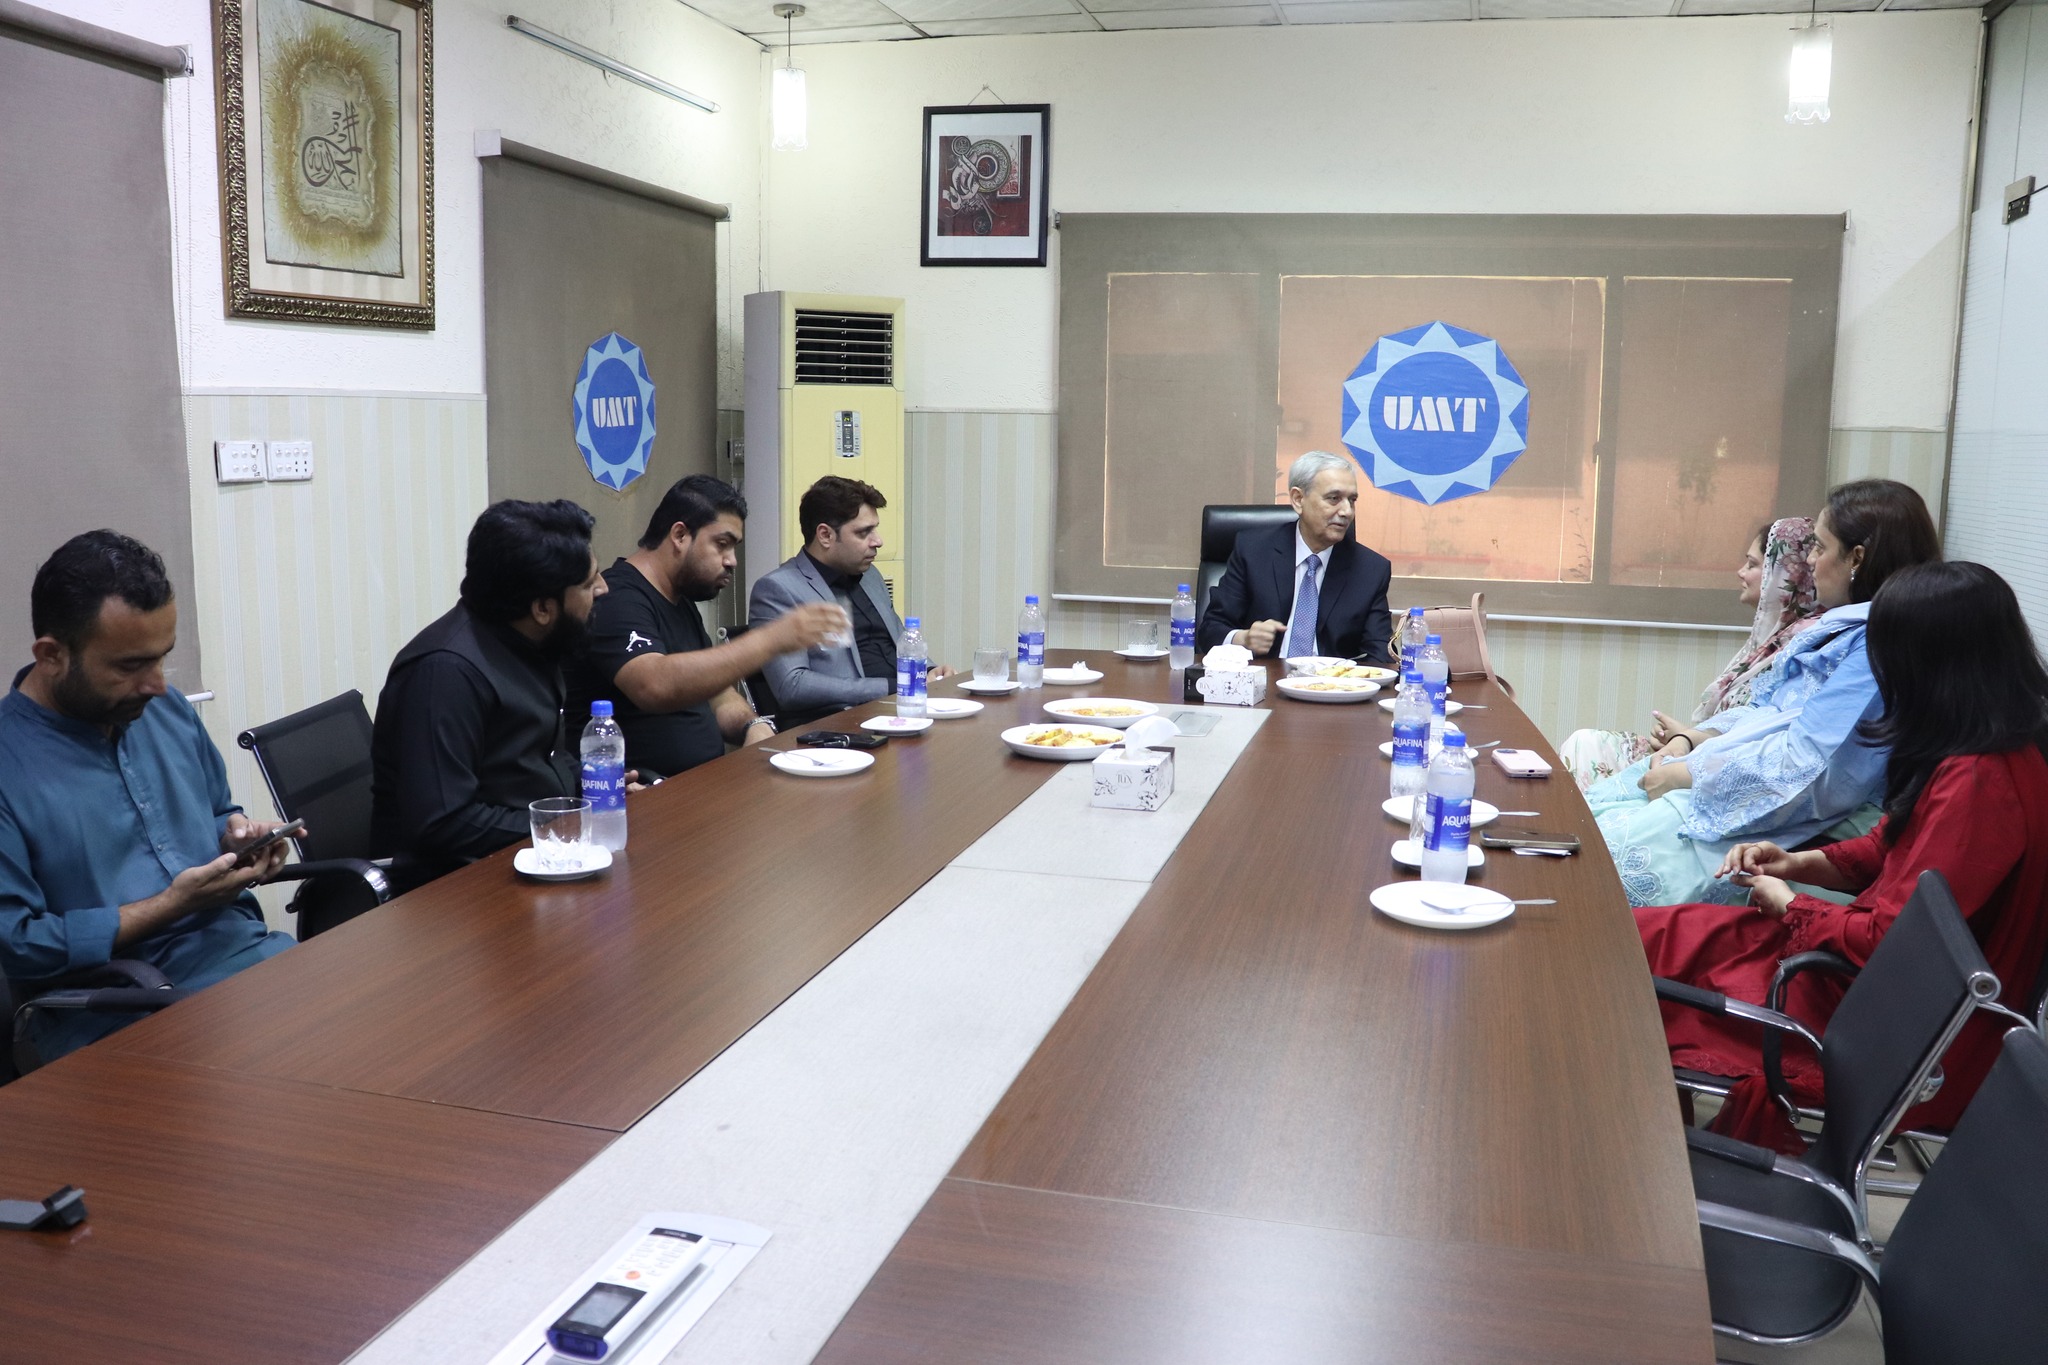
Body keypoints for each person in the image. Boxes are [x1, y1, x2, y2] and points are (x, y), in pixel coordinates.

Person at [1639, 561, 2048, 1153]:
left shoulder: (1980, 782)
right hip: (1865, 981)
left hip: (1881, 1021)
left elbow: (1891, 940)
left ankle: (1659, 1158)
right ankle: (1664, 1149)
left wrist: (1791, 905)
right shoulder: (1995, 747)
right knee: (1645, 940)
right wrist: (1798, 863)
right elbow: (1893, 846)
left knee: (1640, 969)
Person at [0, 532, 295, 1061]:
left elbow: (218, 811)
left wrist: (239, 837)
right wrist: (171, 905)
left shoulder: (166, 709)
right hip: (114, 1012)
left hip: (243, 958)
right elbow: (18, 943)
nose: (157, 684)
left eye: (162, 659)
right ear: (52, 655)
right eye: (130, 666)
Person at [1587, 479, 1942, 908]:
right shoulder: (1840, 628)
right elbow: (1764, 708)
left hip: (1800, 812)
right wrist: (1693, 740)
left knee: (1602, 865)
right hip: (1739, 776)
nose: (1809, 561)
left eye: (1820, 547)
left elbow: (1812, 771)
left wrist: (1690, 773)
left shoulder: (1877, 648)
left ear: (1857, 558)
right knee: (1588, 819)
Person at [372, 500, 606, 890]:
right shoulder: (445, 674)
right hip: (452, 889)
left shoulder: (536, 642)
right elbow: (442, 823)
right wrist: (563, 823)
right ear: (542, 608)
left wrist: (595, 791)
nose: (603, 589)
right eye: (587, 583)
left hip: (537, 859)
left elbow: (540, 758)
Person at [564, 475, 845, 780]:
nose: (732, 561)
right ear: (680, 535)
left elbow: (717, 693)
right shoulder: (617, 598)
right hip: (638, 793)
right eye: (722, 544)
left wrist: (752, 724)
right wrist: (770, 640)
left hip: (703, 783)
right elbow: (654, 684)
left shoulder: (680, 600)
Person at [1561, 518, 1821, 788]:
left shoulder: (1803, 648)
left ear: (1786, 576)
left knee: (1586, 747)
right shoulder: (1769, 642)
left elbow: (1762, 743)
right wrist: (1683, 738)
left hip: (1722, 775)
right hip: (1698, 754)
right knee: (1587, 744)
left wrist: (1687, 738)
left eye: (1752, 565)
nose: (1741, 572)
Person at [747, 475, 952, 725]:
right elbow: (792, 685)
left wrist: (928, 671)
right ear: (825, 535)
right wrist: (892, 687)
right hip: (840, 724)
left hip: (902, 710)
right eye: (864, 532)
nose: (878, 541)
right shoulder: (778, 589)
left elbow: (902, 640)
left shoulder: (870, 576)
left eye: (875, 529)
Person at [1196, 450, 1394, 663]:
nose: (1347, 511)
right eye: (1334, 498)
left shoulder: (1370, 570)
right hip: (1264, 678)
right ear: (1298, 499)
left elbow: (1380, 655)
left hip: (1332, 681)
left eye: (1352, 500)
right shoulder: (1254, 551)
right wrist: (1243, 639)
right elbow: (1210, 630)